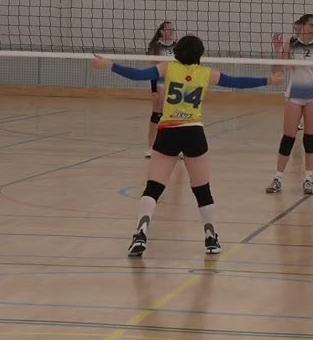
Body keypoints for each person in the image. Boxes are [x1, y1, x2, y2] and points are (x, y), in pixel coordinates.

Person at [94, 37, 283, 256]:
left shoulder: (167, 68)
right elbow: (236, 82)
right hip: (194, 133)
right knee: (202, 190)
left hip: (168, 132)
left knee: (153, 188)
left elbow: (138, 75)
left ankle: (140, 234)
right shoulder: (205, 73)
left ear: (177, 51)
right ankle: (211, 237)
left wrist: (111, 65)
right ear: (199, 55)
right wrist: (268, 80)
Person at [268, 14, 313, 195]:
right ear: (301, 26)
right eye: (311, 25)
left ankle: (308, 179)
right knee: (288, 137)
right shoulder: (291, 44)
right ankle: (277, 178)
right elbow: (277, 70)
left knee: (310, 138)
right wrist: (279, 51)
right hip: (295, 95)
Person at [143, 21, 177, 157]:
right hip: (160, 82)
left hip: (175, 83)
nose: (171, 32)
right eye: (168, 30)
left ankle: (176, 147)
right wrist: (154, 90)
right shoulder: (155, 47)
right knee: (157, 114)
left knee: (175, 115)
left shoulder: (178, 47)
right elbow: (152, 69)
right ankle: (151, 147)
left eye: (173, 30)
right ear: (161, 31)